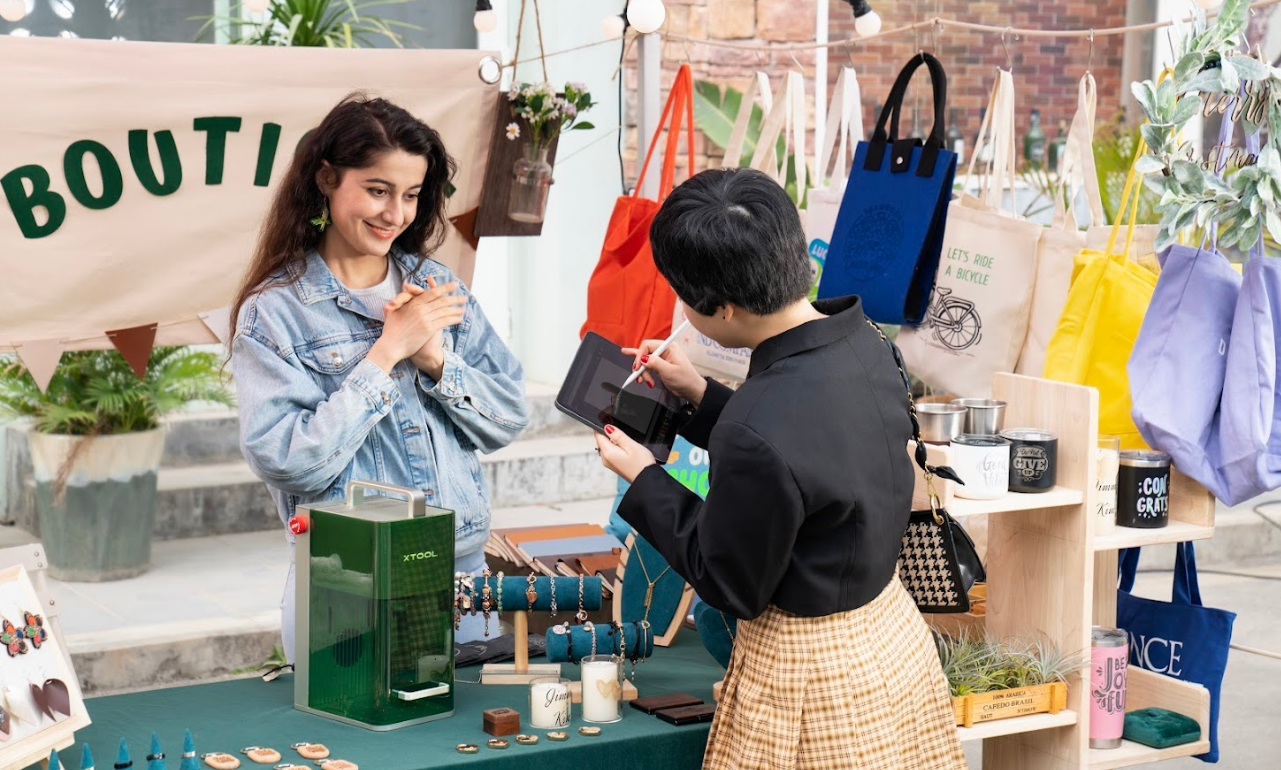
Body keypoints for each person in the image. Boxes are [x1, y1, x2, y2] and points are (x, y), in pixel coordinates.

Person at [595, 168, 965, 769]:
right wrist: (698, 394)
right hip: (892, 642)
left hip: (811, 679)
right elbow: (807, 455)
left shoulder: (759, 422)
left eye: (683, 295)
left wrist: (645, 479)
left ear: (723, 308)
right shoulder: (866, 341)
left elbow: (730, 582)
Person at [230, 95, 528, 659]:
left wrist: (436, 362)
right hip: (348, 584)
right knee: (351, 721)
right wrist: (386, 353)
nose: (395, 213)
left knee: (475, 717)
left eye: (411, 195)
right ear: (327, 178)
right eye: (378, 190)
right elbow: (287, 458)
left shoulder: (438, 288)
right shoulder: (275, 312)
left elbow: (509, 416)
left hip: (461, 576)